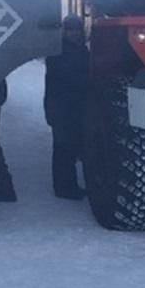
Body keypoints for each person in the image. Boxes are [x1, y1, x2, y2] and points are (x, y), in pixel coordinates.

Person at [45, 15, 90, 199]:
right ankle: (65, 188)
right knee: (64, 149)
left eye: (76, 29)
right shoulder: (61, 53)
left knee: (68, 148)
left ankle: (66, 186)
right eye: (71, 30)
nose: (74, 33)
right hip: (63, 107)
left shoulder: (77, 50)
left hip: (71, 106)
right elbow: (68, 77)